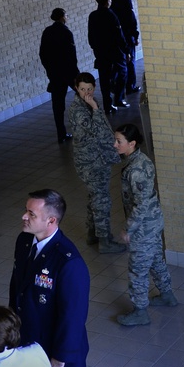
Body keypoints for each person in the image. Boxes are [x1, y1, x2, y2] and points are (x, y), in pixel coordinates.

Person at [9, 189, 109, 367]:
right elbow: (17, 288)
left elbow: (73, 315)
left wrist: (60, 356)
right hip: (30, 340)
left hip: (59, 348)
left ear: (51, 221)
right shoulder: (24, 242)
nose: (24, 216)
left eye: (31, 213)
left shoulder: (68, 261)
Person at [113, 123, 178, 326]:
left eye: (119, 141)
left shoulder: (137, 169)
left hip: (143, 228)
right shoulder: (137, 160)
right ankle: (167, 295)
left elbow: (141, 204)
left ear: (131, 143)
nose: (115, 144)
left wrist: (128, 228)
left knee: (138, 269)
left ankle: (140, 311)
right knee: (156, 259)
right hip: (152, 223)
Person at [67, 72, 126, 254]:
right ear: (76, 88)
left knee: (95, 197)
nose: (86, 93)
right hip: (92, 163)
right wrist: (95, 109)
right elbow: (99, 131)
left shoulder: (88, 104)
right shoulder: (80, 111)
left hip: (96, 159)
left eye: (90, 89)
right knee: (101, 200)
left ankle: (93, 233)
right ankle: (105, 240)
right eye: (82, 89)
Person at [39, 8, 80, 144]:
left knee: (57, 105)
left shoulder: (47, 32)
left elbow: (42, 54)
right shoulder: (66, 32)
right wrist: (76, 74)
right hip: (68, 73)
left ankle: (61, 134)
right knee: (84, 97)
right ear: (62, 17)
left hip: (55, 75)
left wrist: (50, 70)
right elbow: (71, 56)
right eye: (66, 15)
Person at [86, 0, 128, 114]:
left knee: (103, 79)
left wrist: (95, 48)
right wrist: (126, 50)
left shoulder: (93, 16)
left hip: (100, 53)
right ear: (107, 1)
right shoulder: (111, 15)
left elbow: (90, 35)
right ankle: (118, 98)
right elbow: (119, 36)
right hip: (114, 52)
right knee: (123, 73)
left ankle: (107, 105)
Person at [108, 0, 140, 95]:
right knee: (130, 61)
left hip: (112, 37)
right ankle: (130, 86)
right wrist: (135, 35)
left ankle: (114, 82)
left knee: (117, 62)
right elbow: (131, 20)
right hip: (126, 35)